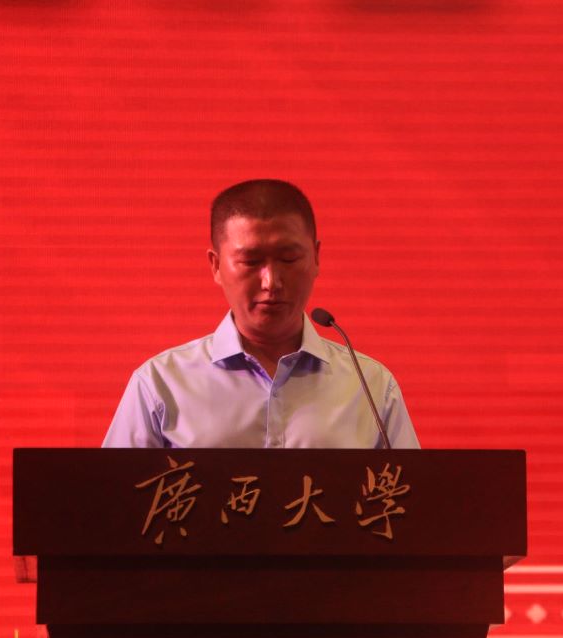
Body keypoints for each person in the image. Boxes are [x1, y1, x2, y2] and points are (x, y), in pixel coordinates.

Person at [102, 179, 418, 449]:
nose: (271, 282)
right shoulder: (161, 384)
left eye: (289, 259)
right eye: (251, 262)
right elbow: (114, 495)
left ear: (316, 258)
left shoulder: (371, 387)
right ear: (216, 265)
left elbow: (409, 496)